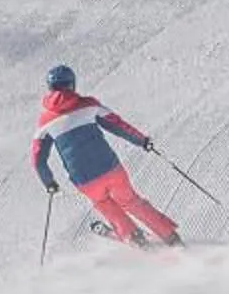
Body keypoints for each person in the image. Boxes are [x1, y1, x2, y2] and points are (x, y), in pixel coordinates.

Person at [31, 65, 181, 247]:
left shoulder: (44, 121)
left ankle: (133, 236)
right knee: (131, 201)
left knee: (104, 204)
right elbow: (118, 125)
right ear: (72, 84)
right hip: (110, 168)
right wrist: (142, 141)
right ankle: (169, 236)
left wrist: (49, 183)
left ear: (50, 87)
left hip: (84, 179)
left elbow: (38, 159)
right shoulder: (88, 104)